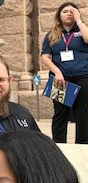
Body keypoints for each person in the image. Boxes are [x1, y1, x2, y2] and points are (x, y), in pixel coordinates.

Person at [41, 2, 88, 144]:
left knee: (83, 114)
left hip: (83, 77)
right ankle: (59, 146)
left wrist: (79, 21)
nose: (69, 13)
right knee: (60, 114)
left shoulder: (82, 30)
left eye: (72, 11)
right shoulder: (52, 34)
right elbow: (45, 56)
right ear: (59, 16)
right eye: (65, 11)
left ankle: (83, 146)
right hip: (61, 79)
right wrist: (57, 72)